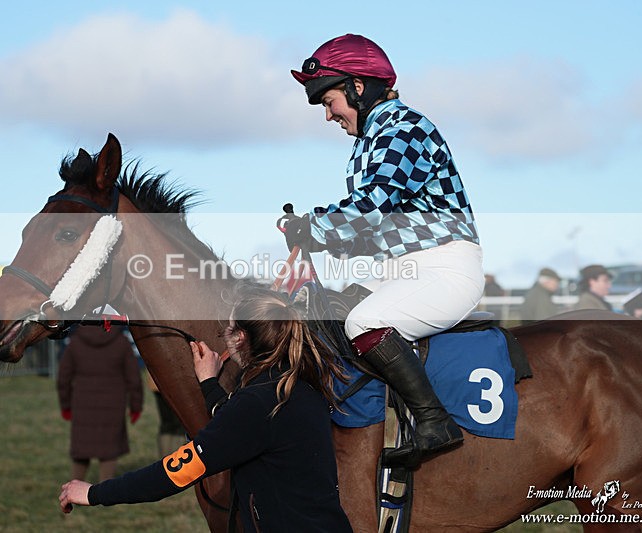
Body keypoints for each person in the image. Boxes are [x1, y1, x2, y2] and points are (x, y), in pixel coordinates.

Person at [286, 34, 483, 466]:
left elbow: (372, 205)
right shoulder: (371, 140)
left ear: (358, 87)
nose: (328, 115)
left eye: (329, 101)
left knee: (365, 321)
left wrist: (314, 226)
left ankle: (435, 422)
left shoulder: (402, 129)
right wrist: (315, 235)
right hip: (402, 270)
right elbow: (369, 231)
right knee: (331, 314)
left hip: (445, 269)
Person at [58, 286, 353, 532]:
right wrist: (210, 383)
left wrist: (94, 493)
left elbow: (175, 472)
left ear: (240, 338)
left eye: (228, 328)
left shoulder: (256, 403)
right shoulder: (300, 386)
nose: (224, 333)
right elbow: (242, 430)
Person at [57, 325, 144, 482]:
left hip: (82, 406)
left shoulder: (75, 342)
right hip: (113, 407)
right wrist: (136, 407)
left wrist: (66, 406)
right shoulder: (121, 342)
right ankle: (104, 491)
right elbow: (134, 379)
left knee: (81, 451)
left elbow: (63, 378)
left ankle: (74, 489)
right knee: (108, 452)